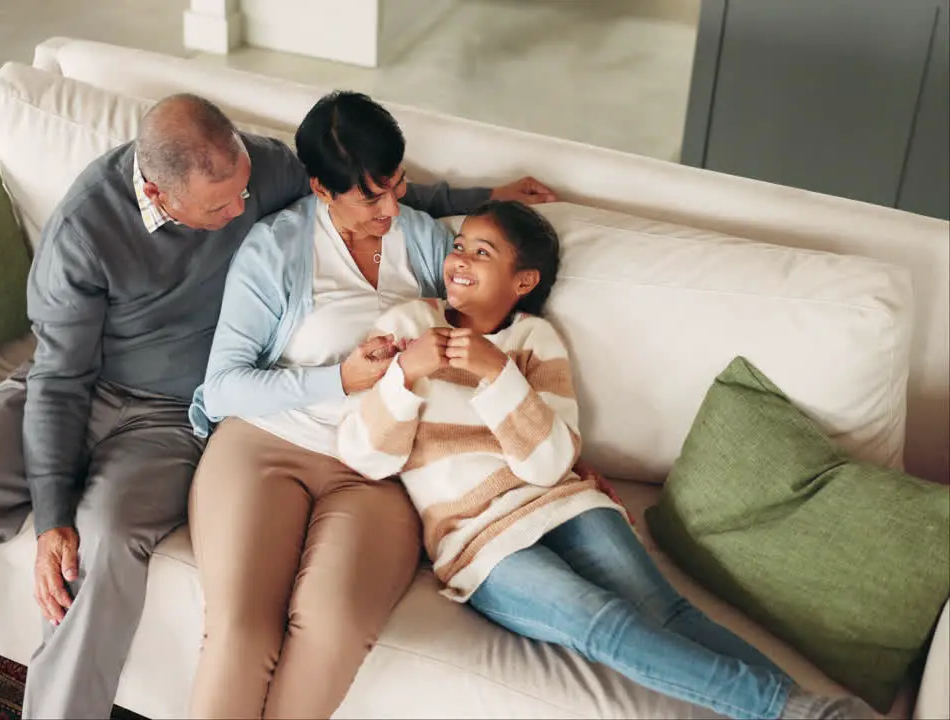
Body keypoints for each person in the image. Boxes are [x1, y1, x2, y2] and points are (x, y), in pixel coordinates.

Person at [0, 91, 554, 719]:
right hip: (69, 385)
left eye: (242, 196)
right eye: (217, 210)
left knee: (105, 542)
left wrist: (482, 201)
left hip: (171, 418)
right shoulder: (85, 231)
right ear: (156, 192)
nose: (241, 216)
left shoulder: (254, 173)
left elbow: (367, 194)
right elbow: (58, 381)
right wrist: (51, 518)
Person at [335, 200, 877, 720]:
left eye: (483, 252)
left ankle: (810, 712)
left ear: (523, 281)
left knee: (669, 613)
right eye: (460, 246)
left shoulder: (535, 339)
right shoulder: (409, 325)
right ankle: (803, 712)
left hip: (562, 504)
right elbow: (366, 455)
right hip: (478, 538)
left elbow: (548, 464)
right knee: (602, 623)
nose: (459, 260)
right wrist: (404, 375)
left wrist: (497, 374)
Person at [185, 90, 557, 719]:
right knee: (243, 630)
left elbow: (497, 334)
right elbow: (223, 386)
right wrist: (342, 380)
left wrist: (563, 451)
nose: (392, 207)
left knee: (331, 627)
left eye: (398, 186)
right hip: (265, 445)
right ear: (321, 189)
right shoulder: (274, 249)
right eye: (371, 196)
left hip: (383, 467)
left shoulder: (426, 242)